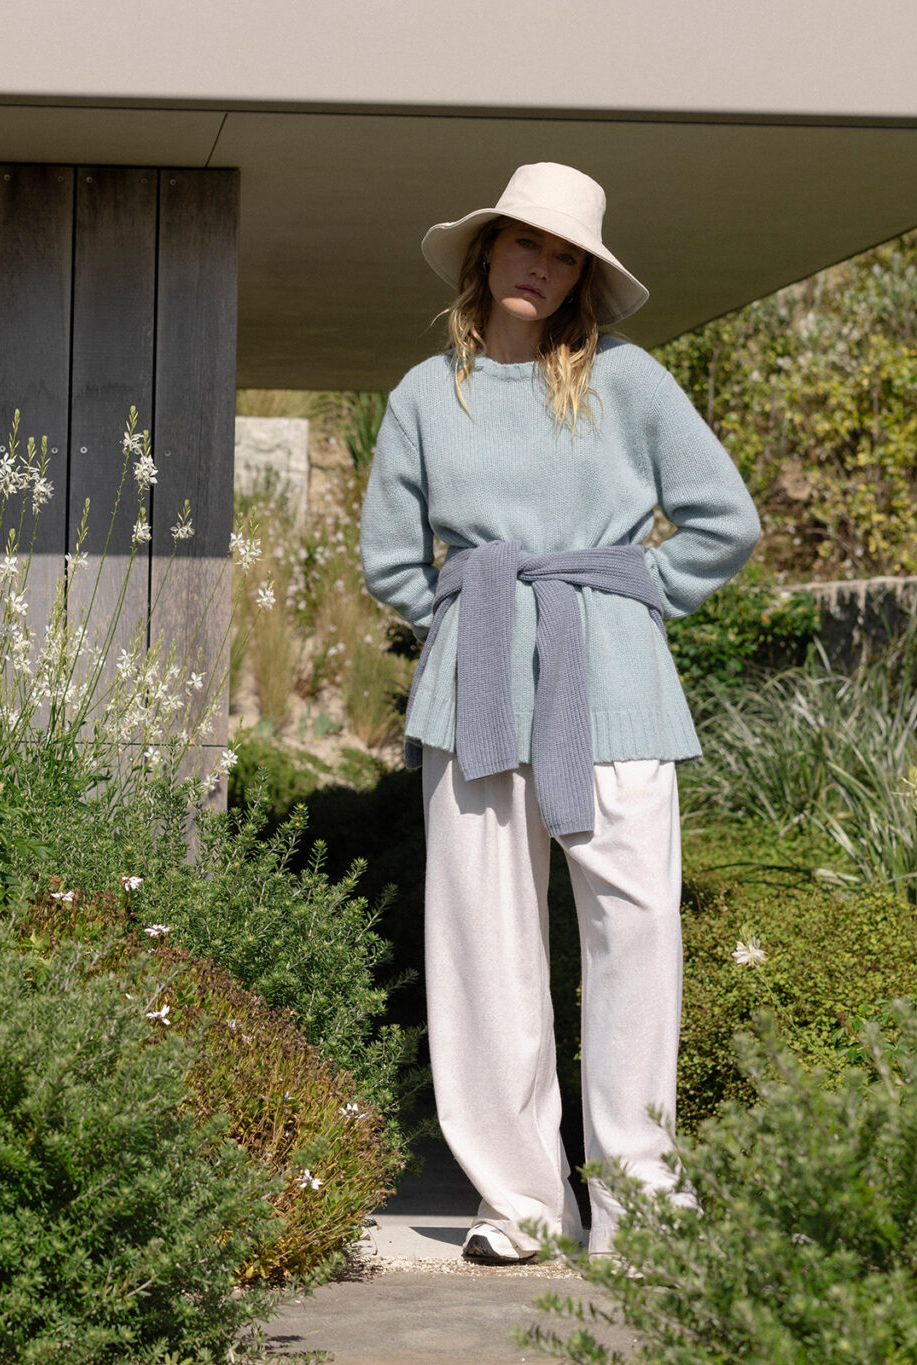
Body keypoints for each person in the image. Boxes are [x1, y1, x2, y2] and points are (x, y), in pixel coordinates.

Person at [359, 161, 760, 1264]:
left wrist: (629, 599)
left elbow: (724, 521)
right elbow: (393, 564)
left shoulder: (630, 384)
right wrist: (469, 621)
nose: (541, 263)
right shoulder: (420, 397)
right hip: (475, 685)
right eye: (524, 241)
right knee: (483, 947)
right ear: (485, 251)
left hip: (614, 685)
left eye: (564, 251)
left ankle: (640, 1207)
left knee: (634, 936)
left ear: (582, 273)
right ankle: (523, 1203)